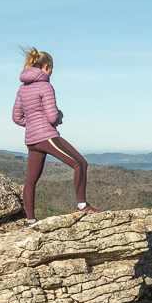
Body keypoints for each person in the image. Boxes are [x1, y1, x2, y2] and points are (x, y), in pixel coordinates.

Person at [12, 46, 93, 224]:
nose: (52, 72)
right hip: (46, 136)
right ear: (46, 66)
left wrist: (32, 124)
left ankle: (30, 220)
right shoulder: (45, 86)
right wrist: (60, 117)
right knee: (80, 163)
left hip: (32, 141)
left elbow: (16, 117)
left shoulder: (22, 88)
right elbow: (52, 117)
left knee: (30, 180)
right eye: (52, 69)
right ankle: (82, 206)